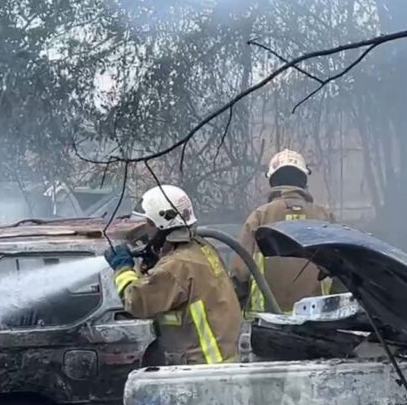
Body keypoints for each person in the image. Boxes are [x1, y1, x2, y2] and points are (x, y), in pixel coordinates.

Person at [105, 185, 242, 366]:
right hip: (220, 360)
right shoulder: (201, 247)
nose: (147, 230)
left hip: (201, 367)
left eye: (149, 224)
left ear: (160, 224)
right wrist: (155, 261)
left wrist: (122, 268)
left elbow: (136, 301)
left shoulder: (175, 266)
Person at [230, 149, 336, 314]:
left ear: (272, 181)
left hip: (268, 320)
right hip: (319, 319)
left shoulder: (259, 217)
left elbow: (240, 274)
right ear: (303, 180)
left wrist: (234, 311)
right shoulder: (324, 217)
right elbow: (345, 272)